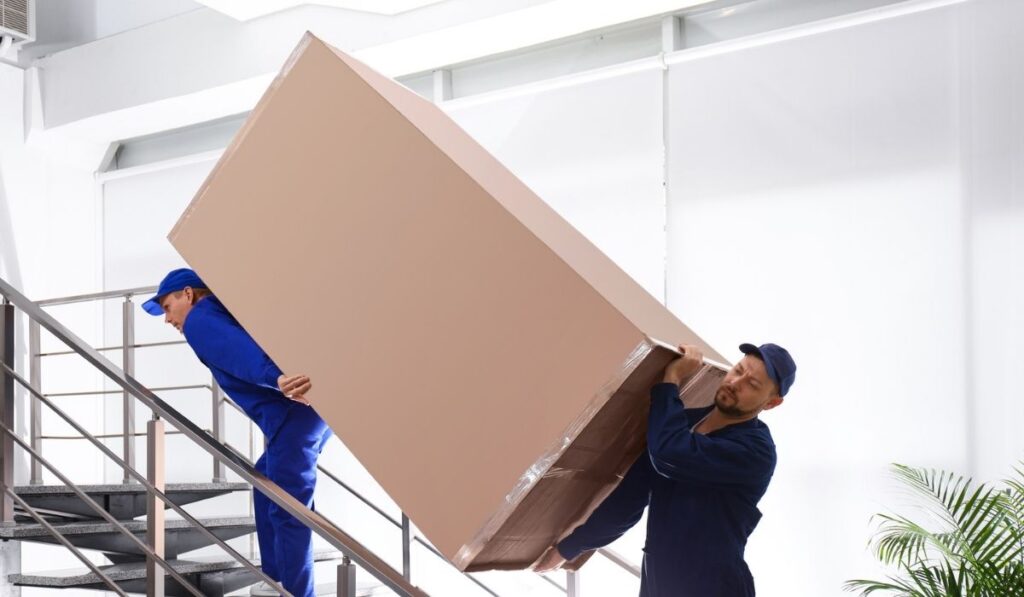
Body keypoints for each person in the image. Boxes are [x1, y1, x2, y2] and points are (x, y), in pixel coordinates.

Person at [533, 342, 796, 597]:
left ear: (771, 402)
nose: (735, 383)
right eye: (738, 370)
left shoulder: (754, 452)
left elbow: (670, 454)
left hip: (713, 586)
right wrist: (567, 549)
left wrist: (670, 379)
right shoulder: (684, 425)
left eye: (752, 384)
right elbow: (628, 500)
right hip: (659, 580)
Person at [142, 268, 331, 597]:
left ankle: (296, 592)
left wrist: (277, 379)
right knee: (265, 482)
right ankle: (277, 580)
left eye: (166, 306)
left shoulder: (200, 319)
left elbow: (239, 351)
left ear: (188, 294)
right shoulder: (215, 311)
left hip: (292, 414)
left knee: (288, 508)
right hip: (298, 416)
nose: (166, 318)